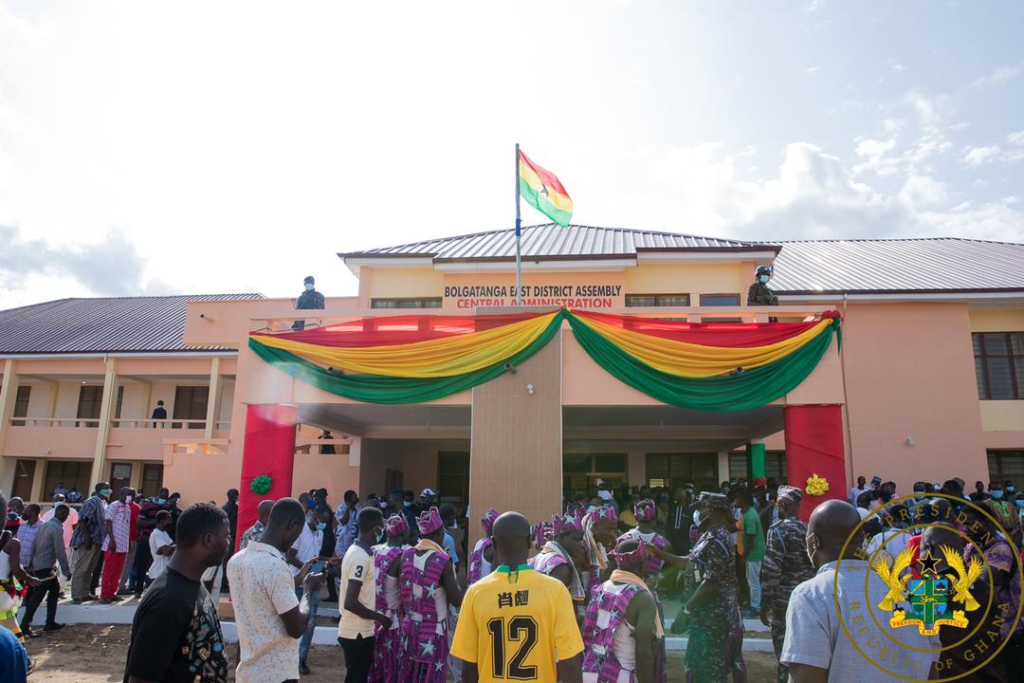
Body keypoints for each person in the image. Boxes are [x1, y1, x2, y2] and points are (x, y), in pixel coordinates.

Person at [781, 500, 937, 682]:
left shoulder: (810, 595)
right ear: (862, 538)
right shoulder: (910, 593)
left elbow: (806, 678)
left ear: (813, 542)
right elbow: (931, 669)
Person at [452, 511, 584, 683]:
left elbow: (469, 665)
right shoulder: (555, 590)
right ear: (530, 541)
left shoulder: (476, 593)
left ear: (493, 544)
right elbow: (569, 662)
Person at [123, 502, 230, 683]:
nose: (229, 543)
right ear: (208, 539)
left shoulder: (194, 585)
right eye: (226, 536)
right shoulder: (168, 601)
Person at [228, 498, 324, 683]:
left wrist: (299, 577)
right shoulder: (275, 566)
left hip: (248, 672)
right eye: (298, 533)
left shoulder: (236, 561)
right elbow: (296, 628)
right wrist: (308, 591)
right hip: (277, 674)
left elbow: (264, 595)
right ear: (292, 525)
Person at [651, 492, 740, 683]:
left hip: (713, 619)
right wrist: (657, 552)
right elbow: (688, 562)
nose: (697, 512)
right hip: (705, 617)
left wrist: (686, 610)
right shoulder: (708, 536)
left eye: (701, 508)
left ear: (712, 510)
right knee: (699, 668)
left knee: (709, 672)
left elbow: (711, 583)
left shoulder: (718, 539)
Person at [388, 507, 463, 683]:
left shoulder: (405, 555)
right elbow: (456, 599)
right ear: (439, 532)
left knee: (408, 674)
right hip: (434, 631)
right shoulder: (442, 561)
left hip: (408, 627)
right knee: (432, 677)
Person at [581, 539, 662, 683]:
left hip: (590, 673)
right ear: (643, 565)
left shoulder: (599, 589)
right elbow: (643, 653)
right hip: (620, 676)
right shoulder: (642, 597)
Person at [758, 486, 814, 683]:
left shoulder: (778, 530)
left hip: (784, 602)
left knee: (785, 654)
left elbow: (771, 571)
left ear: (782, 505)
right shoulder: (808, 529)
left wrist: (765, 604)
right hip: (807, 600)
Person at [337, 507, 391, 683]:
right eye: (381, 526)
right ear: (375, 528)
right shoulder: (359, 556)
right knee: (356, 678)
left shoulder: (360, 552)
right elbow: (350, 602)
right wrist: (380, 618)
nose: (383, 531)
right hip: (357, 633)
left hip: (359, 631)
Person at [287, 505, 330, 675]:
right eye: (321, 522)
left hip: (314, 584)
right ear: (314, 518)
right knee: (292, 622)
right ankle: (289, 658)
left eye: (326, 523)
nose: (323, 525)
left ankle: (301, 660)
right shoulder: (300, 531)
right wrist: (307, 569)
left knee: (310, 624)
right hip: (297, 583)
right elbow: (290, 557)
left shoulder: (320, 533)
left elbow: (315, 557)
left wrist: (327, 562)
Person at [0, 490, 45, 647]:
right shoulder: (13, 543)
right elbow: (16, 569)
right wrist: (31, 580)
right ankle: (22, 660)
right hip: (3, 595)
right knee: (12, 629)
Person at [368, 514, 409, 683]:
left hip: (371, 618)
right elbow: (406, 592)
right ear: (403, 533)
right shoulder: (401, 556)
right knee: (391, 670)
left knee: (373, 669)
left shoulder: (373, 550)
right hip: (392, 623)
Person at [20, 503, 71, 636]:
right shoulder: (56, 529)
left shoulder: (44, 525)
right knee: (37, 598)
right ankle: (24, 625)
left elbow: (33, 545)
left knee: (54, 591)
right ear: (61, 514)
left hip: (39, 565)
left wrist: (32, 563)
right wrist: (66, 570)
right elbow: (59, 550)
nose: (66, 517)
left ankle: (50, 622)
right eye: (65, 515)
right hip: (45, 567)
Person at [531, 512, 587, 621]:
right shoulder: (560, 567)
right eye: (576, 540)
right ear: (562, 536)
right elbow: (552, 606)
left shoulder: (542, 555)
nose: (580, 545)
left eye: (581, 540)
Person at [617, 499, 672, 592]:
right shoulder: (665, 544)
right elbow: (668, 574)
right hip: (650, 596)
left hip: (624, 595)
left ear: (635, 517)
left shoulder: (622, 540)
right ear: (655, 518)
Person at [69, 482, 110, 603]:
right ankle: (76, 595)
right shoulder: (91, 502)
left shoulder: (102, 503)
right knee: (81, 568)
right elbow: (82, 521)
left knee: (89, 568)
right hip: (88, 540)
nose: (109, 491)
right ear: (99, 490)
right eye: (106, 489)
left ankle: (85, 593)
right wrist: (88, 539)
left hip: (97, 541)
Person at [101, 487, 134, 603]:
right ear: (121, 494)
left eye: (132, 495)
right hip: (113, 544)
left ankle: (112, 593)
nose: (130, 497)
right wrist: (112, 540)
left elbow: (127, 526)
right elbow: (108, 522)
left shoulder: (128, 507)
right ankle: (105, 595)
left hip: (123, 545)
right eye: (128, 494)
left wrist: (128, 543)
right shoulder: (114, 505)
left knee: (118, 571)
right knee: (109, 570)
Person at [735, 488, 765, 618]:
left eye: (738, 499)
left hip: (754, 554)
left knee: (753, 582)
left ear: (742, 500)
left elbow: (751, 539)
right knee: (752, 581)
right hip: (753, 553)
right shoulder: (748, 514)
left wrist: (744, 557)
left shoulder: (750, 516)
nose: (736, 501)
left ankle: (755, 608)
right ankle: (754, 605)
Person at [582, 506, 617, 595]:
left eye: (614, 529)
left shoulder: (599, 546)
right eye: (609, 529)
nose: (612, 534)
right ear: (595, 526)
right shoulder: (581, 550)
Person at [40, 493, 78, 570]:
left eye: (61, 499)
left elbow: (75, 526)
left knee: (64, 567)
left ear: (65, 500)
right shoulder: (48, 514)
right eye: (57, 500)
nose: (59, 501)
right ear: (53, 501)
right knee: (51, 567)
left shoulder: (72, 512)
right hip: (51, 546)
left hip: (66, 546)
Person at [117, 488, 142, 595]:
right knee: (126, 563)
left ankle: (119, 585)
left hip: (125, 538)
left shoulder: (133, 507)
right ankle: (121, 586)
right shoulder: (134, 507)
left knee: (122, 563)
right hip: (128, 538)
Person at [467, 508, 499, 586]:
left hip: (475, 587)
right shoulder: (495, 548)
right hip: (487, 591)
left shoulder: (480, 542)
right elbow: (496, 577)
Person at [147, 511, 175, 583]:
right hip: (158, 573)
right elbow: (167, 552)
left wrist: (170, 547)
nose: (170, 522)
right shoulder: (156, 534)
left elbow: (175, 548)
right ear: (163, 521)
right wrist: (168, 548)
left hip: (165, 572)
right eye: (169, 519)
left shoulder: (164, 533)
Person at [15, 504, 43, 576]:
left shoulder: (43, 527)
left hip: (31, 568)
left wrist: (33, 565)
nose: (23, 512)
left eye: (26, 510)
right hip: (17, 565)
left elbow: (42, 547)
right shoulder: (22, 525)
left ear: (33, 512)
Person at [220, 489, 239, 592]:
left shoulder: (236, 508)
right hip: (228, 538)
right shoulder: (225, 509)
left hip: (236, 537)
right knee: (226, 561)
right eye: (236, 495)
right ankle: (223, 584)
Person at [336, 490, 361, 558]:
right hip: (343, 540)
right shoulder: (341, 508)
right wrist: (348, 508)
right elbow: (343, 521)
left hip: (355, 540)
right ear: (347, 500)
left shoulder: (358, 508)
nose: (356, 501)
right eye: (353, 500)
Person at [439, 503, 461, 575]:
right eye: (454, 517)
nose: (455, 519)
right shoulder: (448, 538)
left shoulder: (437, 533)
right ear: (449, 518)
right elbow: (455, 564)